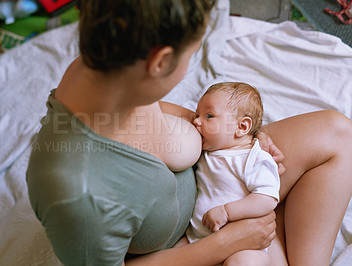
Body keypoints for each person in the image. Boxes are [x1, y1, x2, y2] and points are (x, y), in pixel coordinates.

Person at [26, 0, 352, 265]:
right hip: (191, 242)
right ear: (160, 61)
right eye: (191, 55)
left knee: (338, 133)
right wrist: (225, 243)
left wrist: (245, 136)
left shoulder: (108, 62)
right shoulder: (77, 195)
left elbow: (151, 111)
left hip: (217, 177)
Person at [185, 82, 280, 265]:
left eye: (209, 116)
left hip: (245, 247)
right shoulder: (206, 151)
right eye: (197, 115)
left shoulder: (254, 158)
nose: (196, 121)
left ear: (242, 127)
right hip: (197, 240)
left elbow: (267, 198)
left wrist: (227, 211)